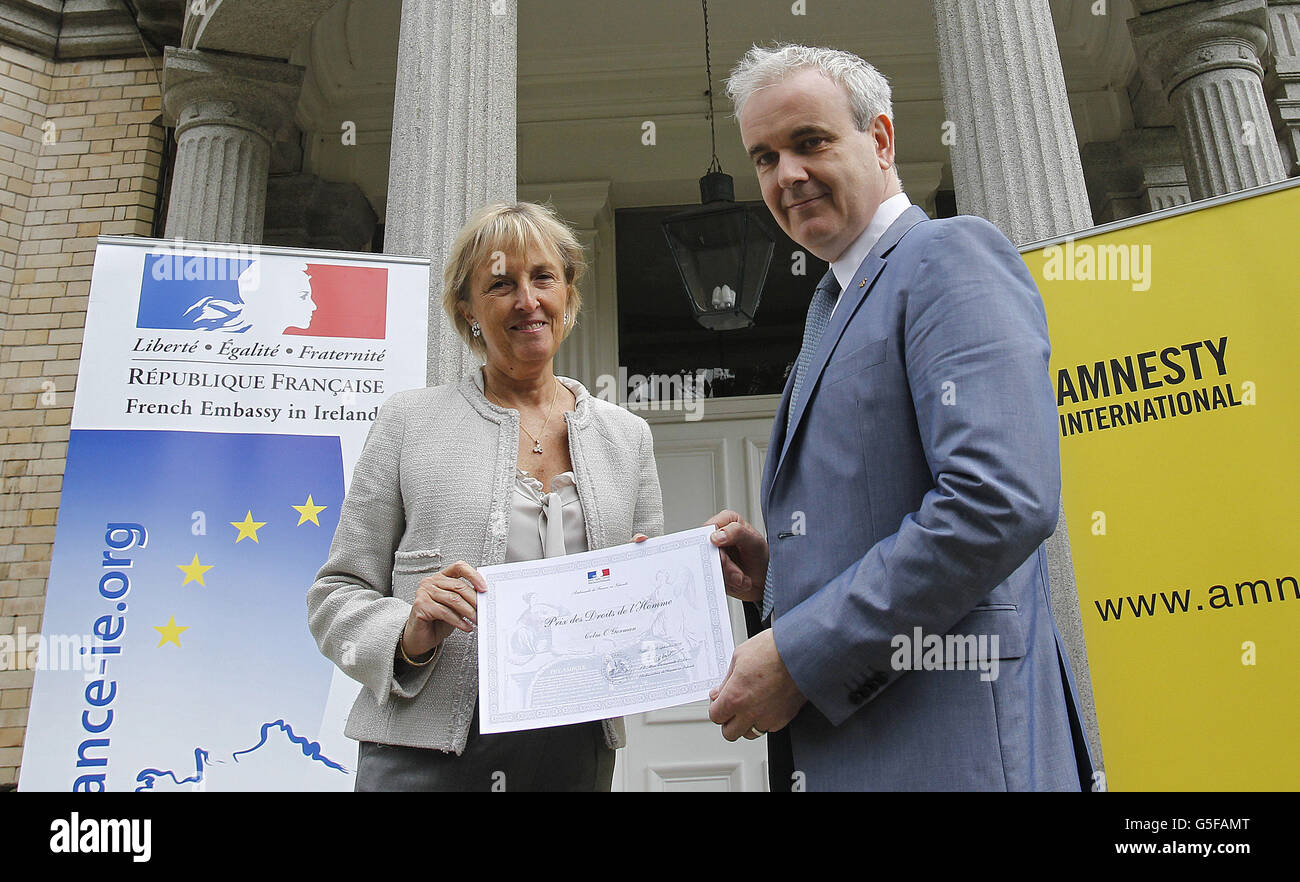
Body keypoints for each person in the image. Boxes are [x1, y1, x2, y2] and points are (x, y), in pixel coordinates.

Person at [704, 44, 1095, 791]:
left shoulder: (949, 258)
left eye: (810, 142)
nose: (786, 175)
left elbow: (999, 503)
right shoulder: (834, 305)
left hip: (955, 753)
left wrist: (798, 653)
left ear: (880, 139)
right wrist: (777, 577)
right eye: (764, 157)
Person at [307, 201, 664, 791]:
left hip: (573, 754)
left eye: (543, 278)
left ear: (568, 295)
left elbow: (645, 595)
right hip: (426, 756)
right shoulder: (410, 423)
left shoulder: (626, 437)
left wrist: (657, 591)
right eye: (500, 284)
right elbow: (335, 596)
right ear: (466, 310)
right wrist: (409, 631)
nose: (528, 301)